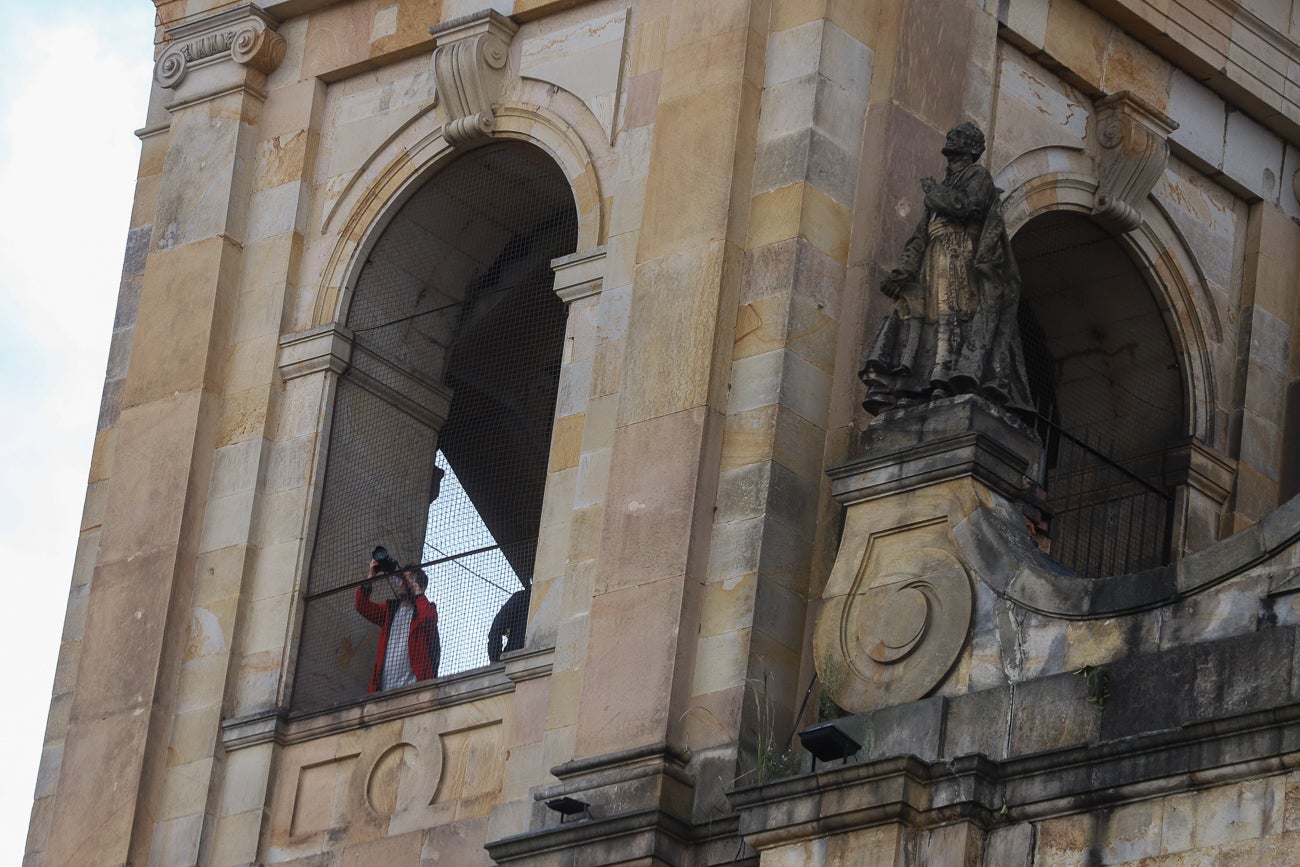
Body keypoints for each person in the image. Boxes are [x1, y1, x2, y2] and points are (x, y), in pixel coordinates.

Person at [860, 121, 1034, 418]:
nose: (953, 139)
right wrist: (903, 271)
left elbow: (970, 206)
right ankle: (916, 384)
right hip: (933, 257)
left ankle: (945, 378)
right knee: (921, 318)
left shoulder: (978, 175)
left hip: (959, 254)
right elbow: (920, 234)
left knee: (951, 316)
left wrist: (933, 193)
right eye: (954, 136)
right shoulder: (943, 187)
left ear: (972, 149)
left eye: (961, 138)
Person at [355, 559, 440, 692]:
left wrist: (414, 585)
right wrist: (371, 577)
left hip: (413, 690)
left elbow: (428, 618)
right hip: (383, 690)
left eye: (405, 581)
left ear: (419, 586)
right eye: (400, 580)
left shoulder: (425, 612)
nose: (401, 584)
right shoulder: (390, 611)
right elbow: (362, 606)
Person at [487, 585, 531, 663]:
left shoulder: (522, 597)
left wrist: (495, 660)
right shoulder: (523, 597)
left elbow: (496, 627)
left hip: (513, 654)